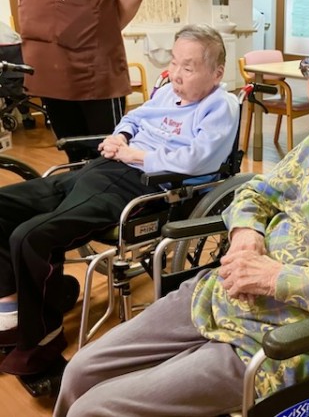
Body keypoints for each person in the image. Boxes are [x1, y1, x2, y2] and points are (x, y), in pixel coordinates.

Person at [54, 0, 309, 417]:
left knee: (93, 410)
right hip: (219, 294)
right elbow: (255, 193)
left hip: (282, 342)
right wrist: (246, 235)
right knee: (79, 371)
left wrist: (278, 278)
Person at [0, 24, 239, 377]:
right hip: (104, 167)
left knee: (32, 235)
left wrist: (134, 154)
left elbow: (197, 160)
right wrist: (120, 136)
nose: (175, 73)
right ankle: (13, 308)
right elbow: (134, 116)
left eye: (188, 67)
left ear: (216, 73)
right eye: (174, 62)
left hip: (141, 185)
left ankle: (42, 340)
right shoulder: (166, 92)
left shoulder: (221, 105)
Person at [17, 0, 145, 161]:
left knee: (107, 151)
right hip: (46, 64)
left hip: (91, 65)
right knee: (72, 148)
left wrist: (104, 29)